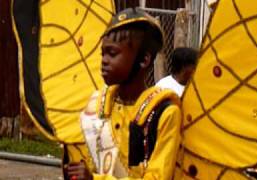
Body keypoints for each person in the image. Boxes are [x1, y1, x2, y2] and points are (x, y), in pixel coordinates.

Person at [66, 8, 182, 180]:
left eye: (112, 54)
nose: (104, 60)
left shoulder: (164, 114)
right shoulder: (95, 106)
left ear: (144, 60)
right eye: (103, 53)